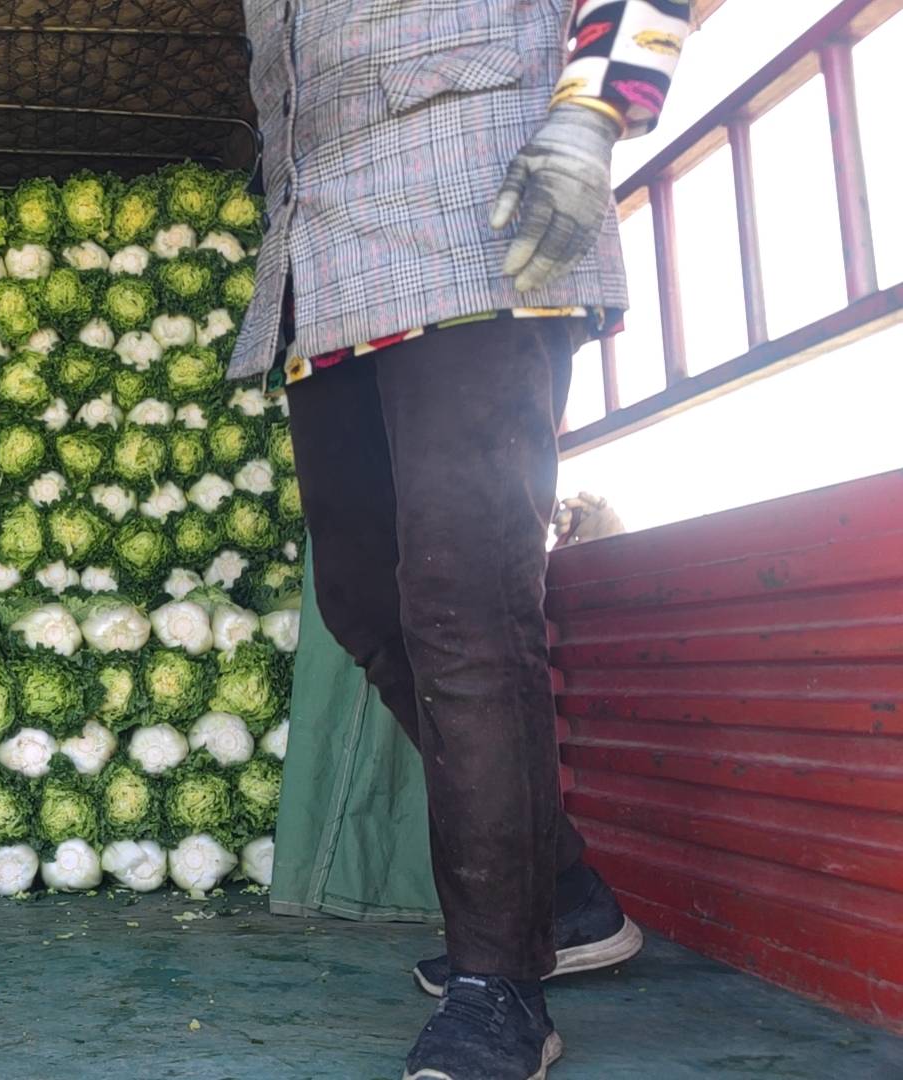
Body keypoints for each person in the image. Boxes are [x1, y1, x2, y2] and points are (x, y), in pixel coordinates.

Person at [230, 2, 691, 1078]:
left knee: (465, 602)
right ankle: (563, 897)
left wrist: (596, 120)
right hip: (324, 246)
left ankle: (502, 984)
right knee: (363, 599)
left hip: (478, 208)